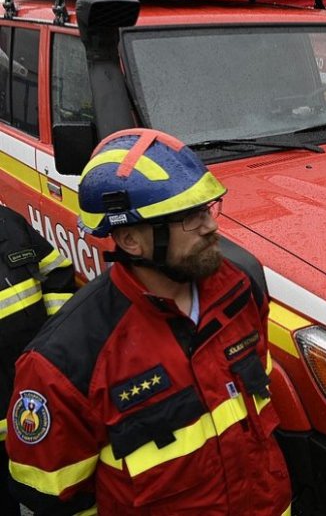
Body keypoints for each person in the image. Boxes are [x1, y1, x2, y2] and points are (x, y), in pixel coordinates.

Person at [5, 129, 291, 515]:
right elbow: (52, 497)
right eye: (189, 218)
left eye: (208, 208)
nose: (210, 226)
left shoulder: (240, 286)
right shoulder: (64, 361)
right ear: (131, 241)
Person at [0, 206, 75, 515]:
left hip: (38, 402)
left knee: (58, 495)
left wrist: (55, 342)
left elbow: (57, 272)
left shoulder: (9, 223)